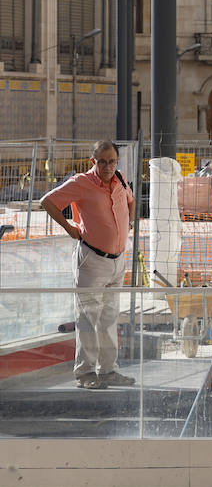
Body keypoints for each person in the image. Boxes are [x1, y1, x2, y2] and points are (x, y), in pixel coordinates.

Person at [39, 140, 135, 390]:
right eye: (101, 161)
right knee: (88, 318)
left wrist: (129, 225)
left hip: (117, 260)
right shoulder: (81, 183)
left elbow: (130, 201)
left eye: (111, 161)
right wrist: (70, 228)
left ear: (117, 161)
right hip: (92, 260)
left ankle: (108, 370)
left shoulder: (121, 179)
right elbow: (47, 202)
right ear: (93, 161)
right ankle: (85, 373)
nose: (106, 166)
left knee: (109, 317)